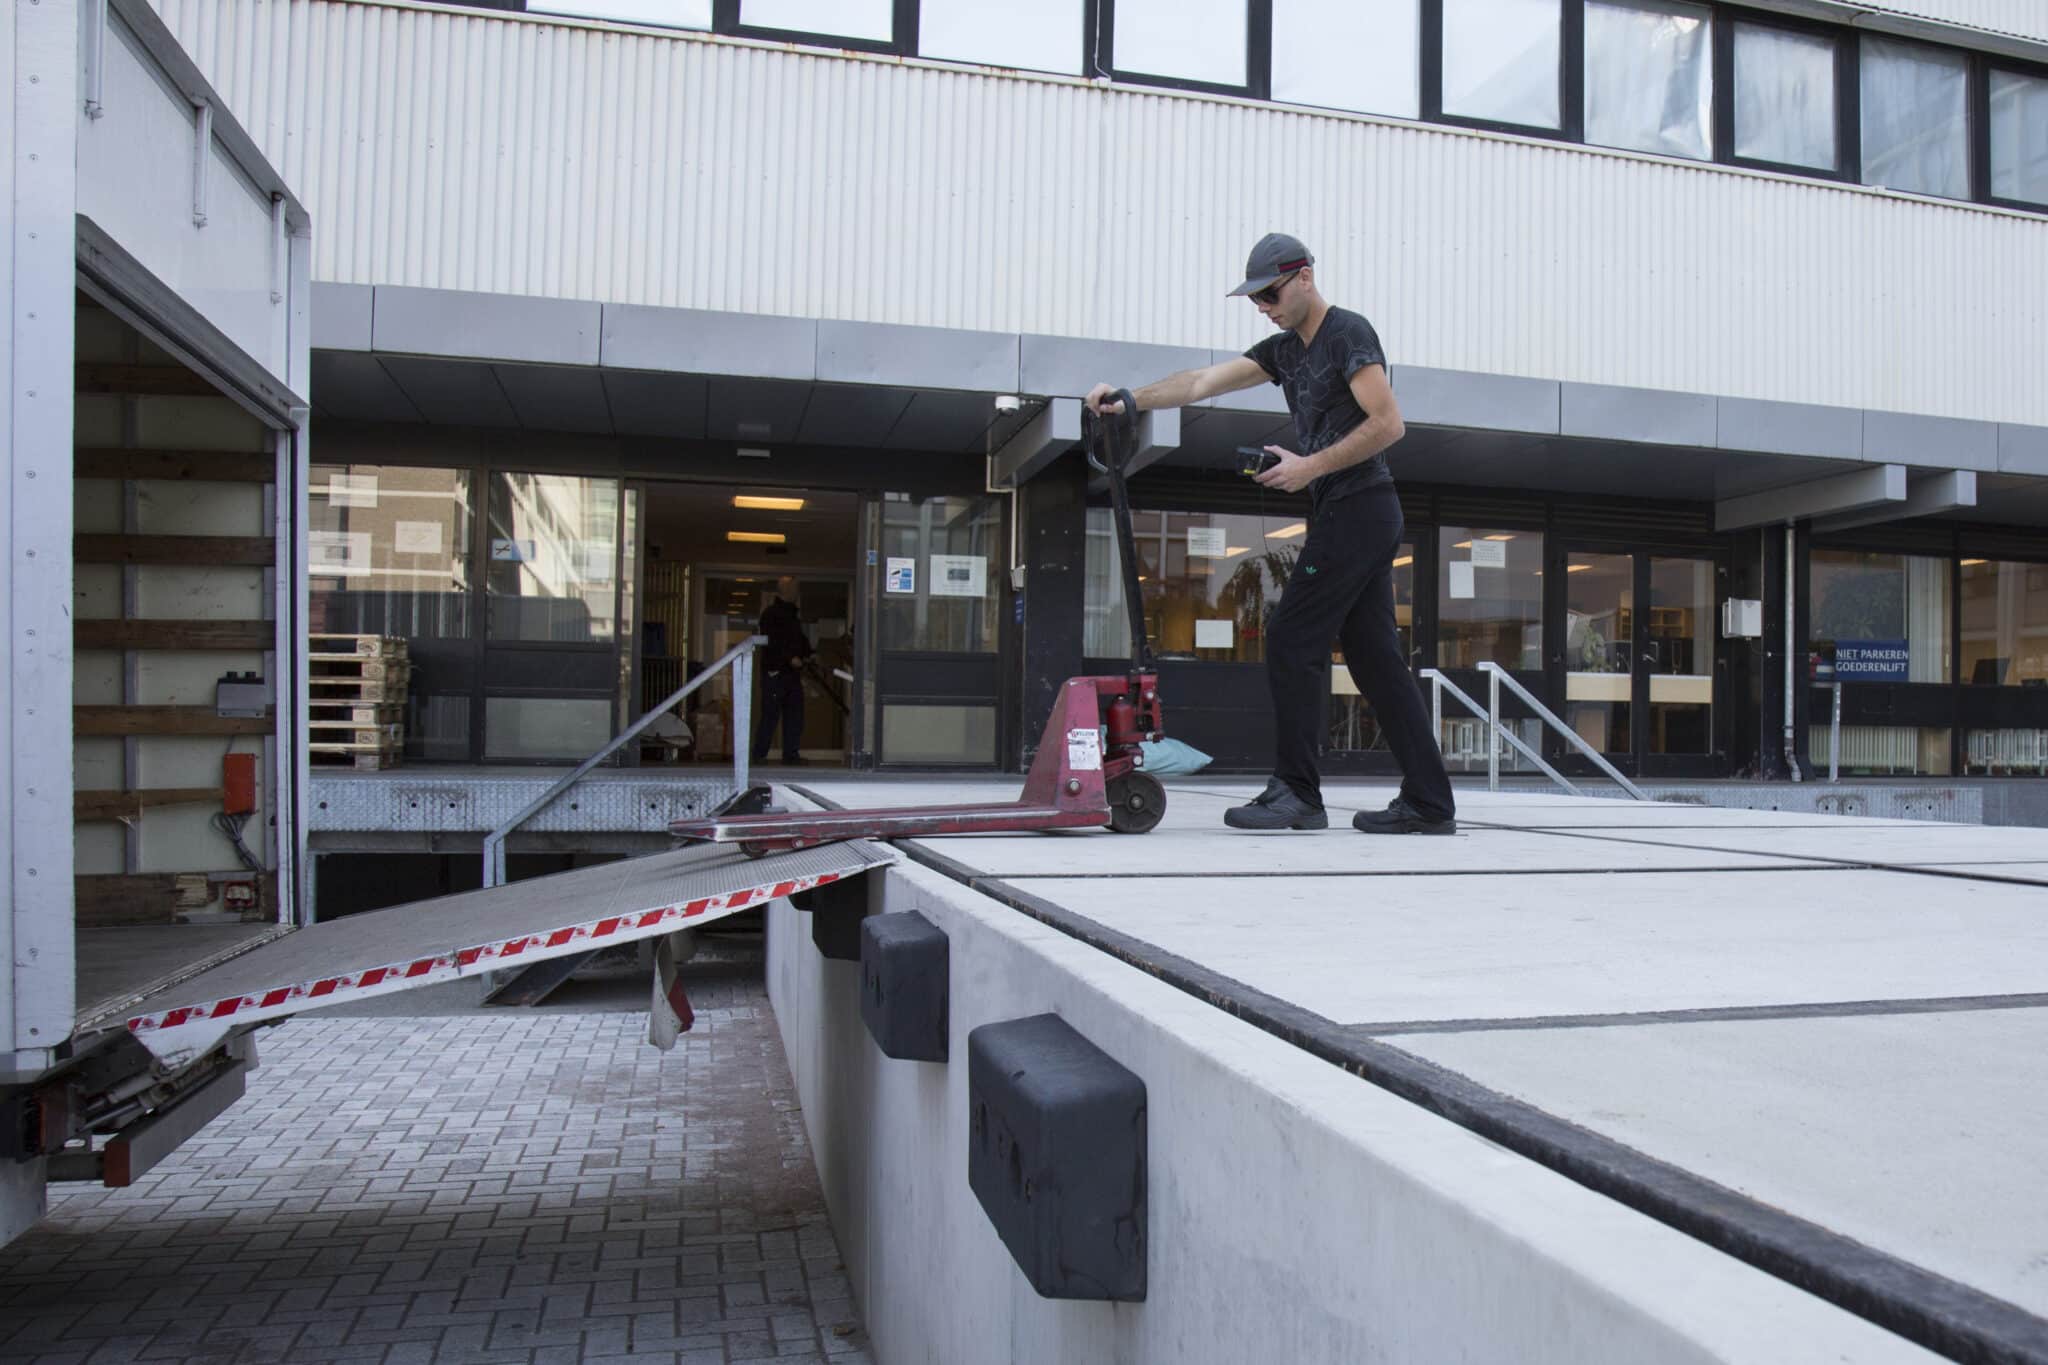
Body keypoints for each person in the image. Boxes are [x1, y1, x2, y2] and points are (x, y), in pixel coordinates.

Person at [1085, 232, 1456, 835]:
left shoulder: (1348, 333)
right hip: (1347, 507)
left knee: (1290, 635)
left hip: (1360, 505)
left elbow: (1389, 424)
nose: (1264, 305)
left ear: (1305, 276)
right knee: (1376, 661)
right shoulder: (1286, 350)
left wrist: (1309, 466)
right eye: (1255, 298)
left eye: (1271, 292)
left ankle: (1298, 793)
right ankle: (1430, 803)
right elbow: (1203, 382)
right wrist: (1130, 400)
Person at [752, 576, 811, 765]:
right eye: (794, 588)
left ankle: (791, 754)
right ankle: (759, 754)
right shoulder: (771, 614)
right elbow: (773, 641)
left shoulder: (793, 616)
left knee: (795, 714)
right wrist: (789, 658)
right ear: (784, 590)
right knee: (771, 714)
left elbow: (799, 640)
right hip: (775, 672)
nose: (796, 592)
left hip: (791, 674)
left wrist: (808, 654)